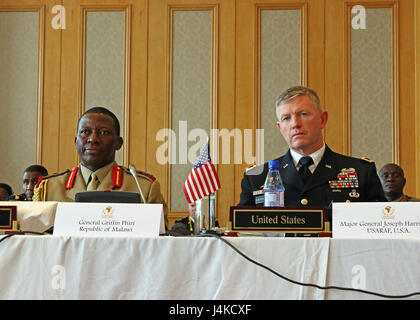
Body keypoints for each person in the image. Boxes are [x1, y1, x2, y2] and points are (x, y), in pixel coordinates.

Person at [239, 85, 387, 207]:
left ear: (322, 119)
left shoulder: (362, 172)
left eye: (303, 114)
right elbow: (243, 235)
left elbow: (378, 232)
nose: (295, 124)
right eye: (286, 118)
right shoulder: (257, 177)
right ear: (280, 127)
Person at [34, 106, 168, 225]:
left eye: (104, 132)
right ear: (76, 142)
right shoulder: (50, 188)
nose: (93, 139)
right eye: (85, 132)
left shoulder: (144, 188)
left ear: (119, 143)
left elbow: (159, 243)